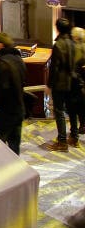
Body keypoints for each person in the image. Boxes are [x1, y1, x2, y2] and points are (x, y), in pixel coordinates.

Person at [44, 18, 77, 151]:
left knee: (59, 111)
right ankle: (74, 138)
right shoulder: (72, 42)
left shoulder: (58, 44)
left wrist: (49, 85)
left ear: (58, 28)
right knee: (72, 110)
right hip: (72, 81)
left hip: (60, 82)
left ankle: (62, 142)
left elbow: (54, 67)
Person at [0, 32, 27, 154]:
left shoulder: (2, 62)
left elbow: (2, 87)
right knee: (15, 144)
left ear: (0, 45)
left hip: (5, 111)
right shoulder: (19, 59)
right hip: (19, 107)